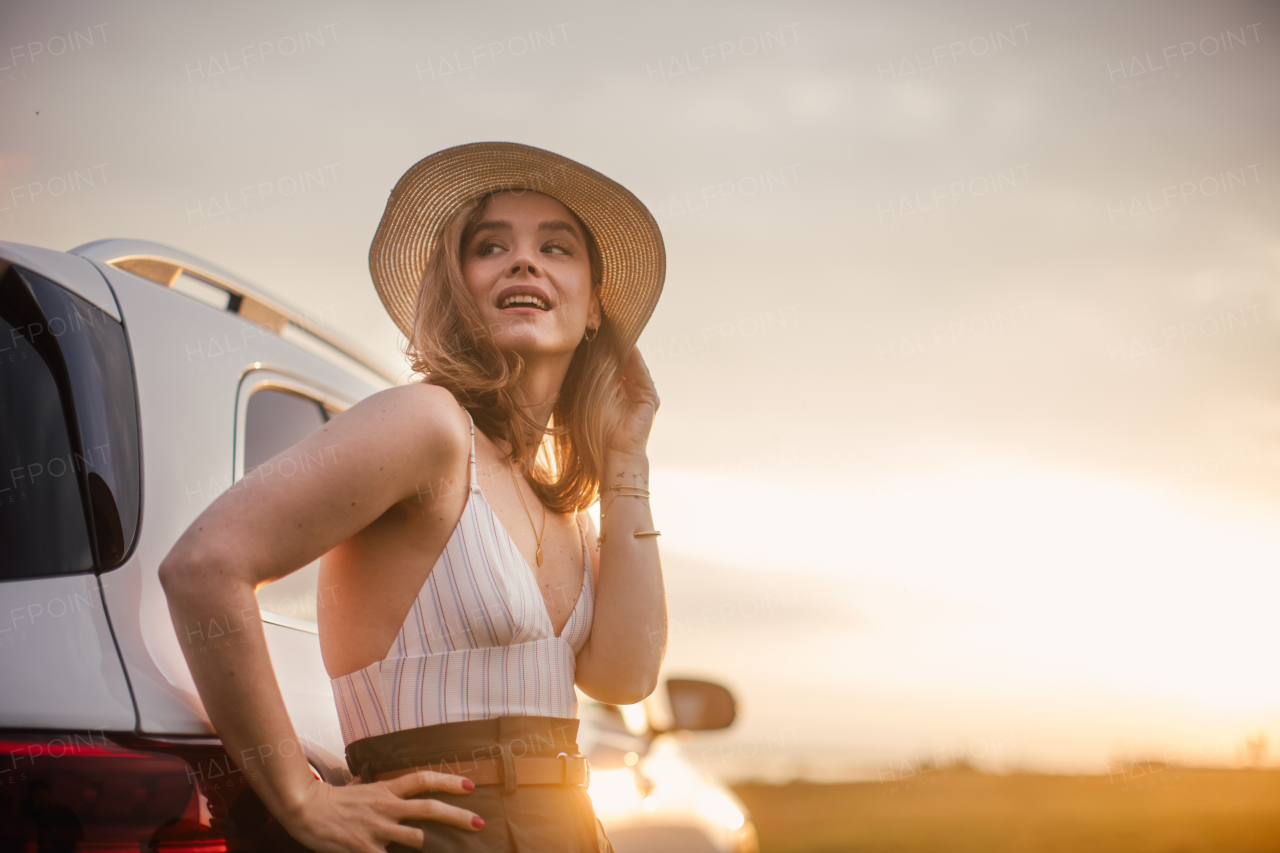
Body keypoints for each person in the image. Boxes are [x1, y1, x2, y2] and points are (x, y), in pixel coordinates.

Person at [160, 141, 669, 852]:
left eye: (557, 248)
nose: (524, 261)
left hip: (573, 828)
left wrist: (627, 459)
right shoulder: (425, 424)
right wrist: (300, 797)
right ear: (456, 290)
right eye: (491, 247)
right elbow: (203, 565)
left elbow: (626, 674)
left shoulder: (563, 502)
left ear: (593, 311)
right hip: (444, 831)